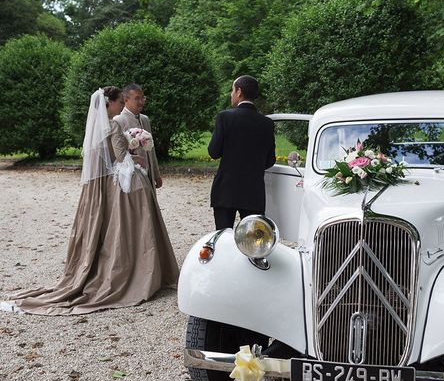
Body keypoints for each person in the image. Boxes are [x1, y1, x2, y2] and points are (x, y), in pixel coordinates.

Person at [0, 87, 179, 315]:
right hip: (121, 181)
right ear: (114, 102)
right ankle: (134, 271)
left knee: (107, 229)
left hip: (103, 185)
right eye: (122, 101)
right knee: (126, 229)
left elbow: (105, 159)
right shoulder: (114, 123)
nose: (139, 101)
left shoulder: (102, 125)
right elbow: (119, 157)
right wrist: (134, 153)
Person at [208, 75, 276, 229]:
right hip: (253, 191)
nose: (231, 94)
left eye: (232, 90)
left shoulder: (224, 117)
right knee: (253, 241)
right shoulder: (266, 123)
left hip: (226, 189)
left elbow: (213, 152)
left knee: (224, 237)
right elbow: (270, 160)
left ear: (239, 92)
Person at [114, 84, 163, 190]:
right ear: (126, 100)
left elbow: (151, 149)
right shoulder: (118, 121)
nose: (141, 102)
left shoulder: (145, 119)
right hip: (131, 175)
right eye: (137, 98)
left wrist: (156, 174)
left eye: (143, 98)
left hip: (148, 172)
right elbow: (117, 153)